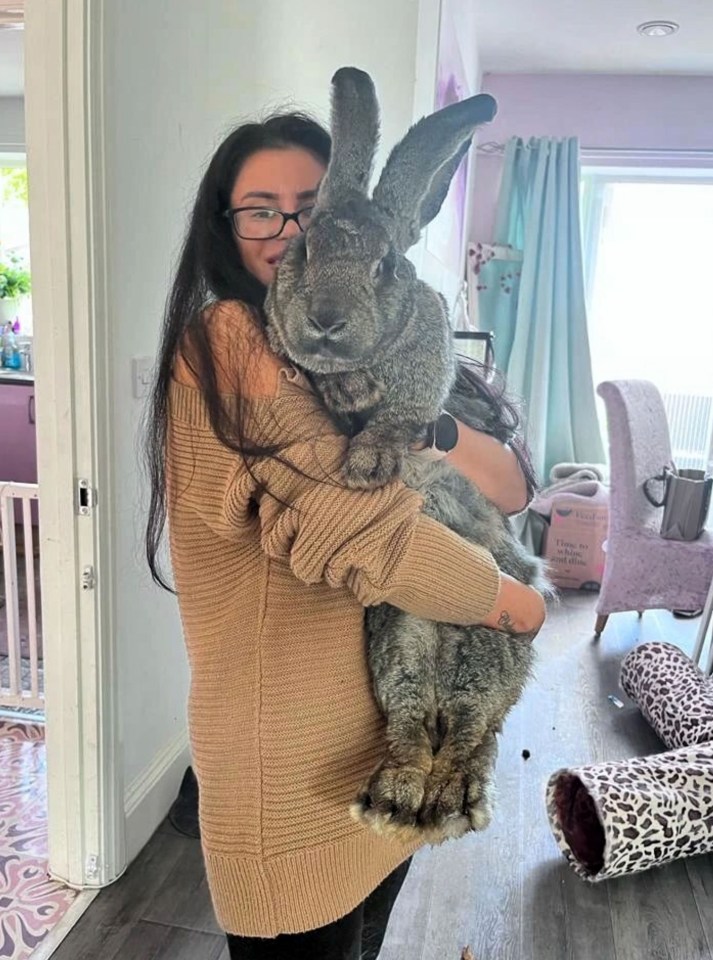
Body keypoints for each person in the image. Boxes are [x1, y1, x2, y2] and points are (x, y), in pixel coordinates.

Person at [144, 111, 546, 959]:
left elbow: (510, 482)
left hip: (378, 750)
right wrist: (512, 606)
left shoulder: (379, 344)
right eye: (261, 210)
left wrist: (417, 422)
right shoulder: (231, 342)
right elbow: (368, 536)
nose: (291, 234)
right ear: (225, 226)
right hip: (287, 769)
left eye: (311, 209)